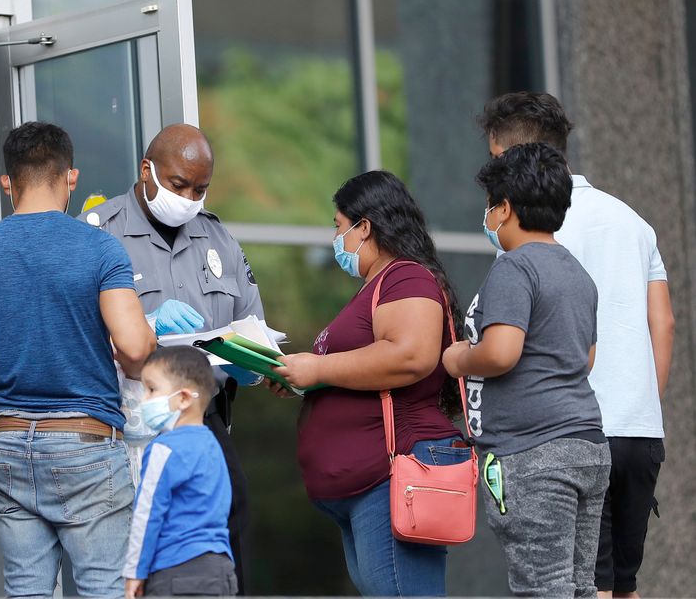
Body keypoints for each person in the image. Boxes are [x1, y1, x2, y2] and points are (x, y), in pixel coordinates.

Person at [0, 121, 156, 597]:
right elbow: (136, 347)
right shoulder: (101, 248)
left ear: (7, 181)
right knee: (102, 588)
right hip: (85, 442)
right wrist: (147, 325)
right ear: (71, 177)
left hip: (10, 443)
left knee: (27, 590)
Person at [479, 92, 674, 598]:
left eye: (494, 159)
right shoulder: (635, 222)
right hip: (640, 430)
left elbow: (508, 341)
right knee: (624, 586)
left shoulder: (529, 231)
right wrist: (643, 405)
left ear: (510, 157)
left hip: (567, 431)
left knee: (580, 588)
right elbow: (664, 323)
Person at [78, 123, 260, 594]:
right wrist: (145, 325)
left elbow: (252, 328)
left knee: (226, 542)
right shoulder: (98, 235)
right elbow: (73, 335)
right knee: (130, 556)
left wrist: (250, 359)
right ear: (147, 170)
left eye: (200, 189)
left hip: (202, 421)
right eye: (178, 185)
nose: (188, 197)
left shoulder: (219, 240)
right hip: (124, 425)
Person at [268, 170, 467, 597]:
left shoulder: (405, 278)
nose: (335, 238)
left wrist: (318, 370)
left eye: (338, 227)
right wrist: (305, 381)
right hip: (365, 483)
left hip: (390, 473)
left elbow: (410, 355)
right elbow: (360, 367)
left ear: (365, 227)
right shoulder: (375, 286)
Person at [443, 142, 610, 597]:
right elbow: (586, 357)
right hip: (588, 447)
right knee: (579, 586)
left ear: (506, 209)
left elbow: (499, 353)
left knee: (543, 587)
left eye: (490, 207)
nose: (488, 218)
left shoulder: (514, 268)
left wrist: (458, 357)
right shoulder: (577, 272)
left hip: (533, 452)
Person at [123, 347, 236, 598]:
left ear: (183, 398)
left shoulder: (163, 448)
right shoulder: (213, 445)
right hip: (221, 571)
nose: (144, 400)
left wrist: (134, 572)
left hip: (176, 572)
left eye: (151, 389)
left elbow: (147, 513)